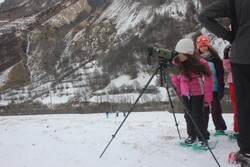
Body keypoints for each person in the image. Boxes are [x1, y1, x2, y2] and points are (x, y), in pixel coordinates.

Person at [198, 0, 250, 165]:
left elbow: (204, 16)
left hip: (243, 57)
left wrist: (230, 36)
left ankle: (247, 152)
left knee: (244, 106)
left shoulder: (235, 3)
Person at [171, 38, 213, 147]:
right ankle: (191, 135)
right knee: (188, 115)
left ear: (188, 54)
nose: (179, 55)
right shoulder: (177, 62)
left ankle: (202, 138)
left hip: (198, 93)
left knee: (197, 115)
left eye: (182, 53)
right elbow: (175, 78)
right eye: (178, 53)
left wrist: (207, 99)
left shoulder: (201, 63)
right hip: (185, 94)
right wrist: (178, 92)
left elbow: (208, 81)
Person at [196, 35, 227, 136]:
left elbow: (220, 73)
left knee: (216, 109)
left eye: (205, 46)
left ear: (208, 46)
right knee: (203, 111)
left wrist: (221, 86)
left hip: (214, 88)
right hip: (202, 89)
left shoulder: (215, 59)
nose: (203, 48)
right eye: (201, 46)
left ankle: (220, 128)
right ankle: (203, 129)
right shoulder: (196, 60)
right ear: (198, 48)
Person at [223, 44, 238, 139]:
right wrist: (226, 57)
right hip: (233, 81)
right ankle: (238, 129)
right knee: (236, 106)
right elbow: (228, 68)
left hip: (245, 79)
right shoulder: (231, 48)